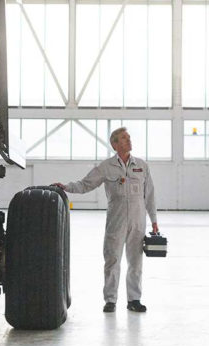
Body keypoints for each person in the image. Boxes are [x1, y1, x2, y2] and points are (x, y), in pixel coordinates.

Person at [53, 127, 158, 313]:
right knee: (112, 260)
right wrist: (66, 187)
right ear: (115, 144)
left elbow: (149, 195)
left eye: (129, 137)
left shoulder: (141, 165)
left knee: (136, 262)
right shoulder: (106, 167)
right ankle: (110, 300)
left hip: (137, 221)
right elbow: (86, 184)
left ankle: (134, 299)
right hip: (116, 221)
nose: (129, 140)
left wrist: (154, 221)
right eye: (124, 138)